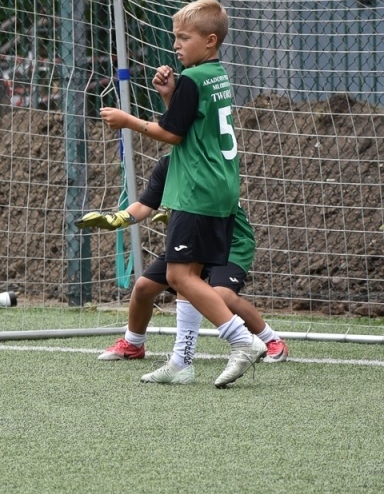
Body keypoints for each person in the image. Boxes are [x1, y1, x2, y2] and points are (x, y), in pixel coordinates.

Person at [100, 0, 263, 388]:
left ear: (209, 40)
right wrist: (171, 96)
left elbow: (172, 134)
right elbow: (191, 127)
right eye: (175, 37)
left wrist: (127, 121)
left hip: (197, 189)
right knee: (185, 275)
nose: (176, 44)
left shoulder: (194, 78)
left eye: (183, 37)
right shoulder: (215, 74)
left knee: (179, 275)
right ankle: (181, 362)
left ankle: (243, 341)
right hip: (219, 186)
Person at [79, 153, 288, 376]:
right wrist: (118, 218)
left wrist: (178, 217)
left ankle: (271, 341)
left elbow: (215, 205)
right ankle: (134, 344)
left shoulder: (212, 162)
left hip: (230, 240)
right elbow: (145, 204)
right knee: (143, 287)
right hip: (193, 238)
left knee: (222, 294)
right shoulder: (168, 164)